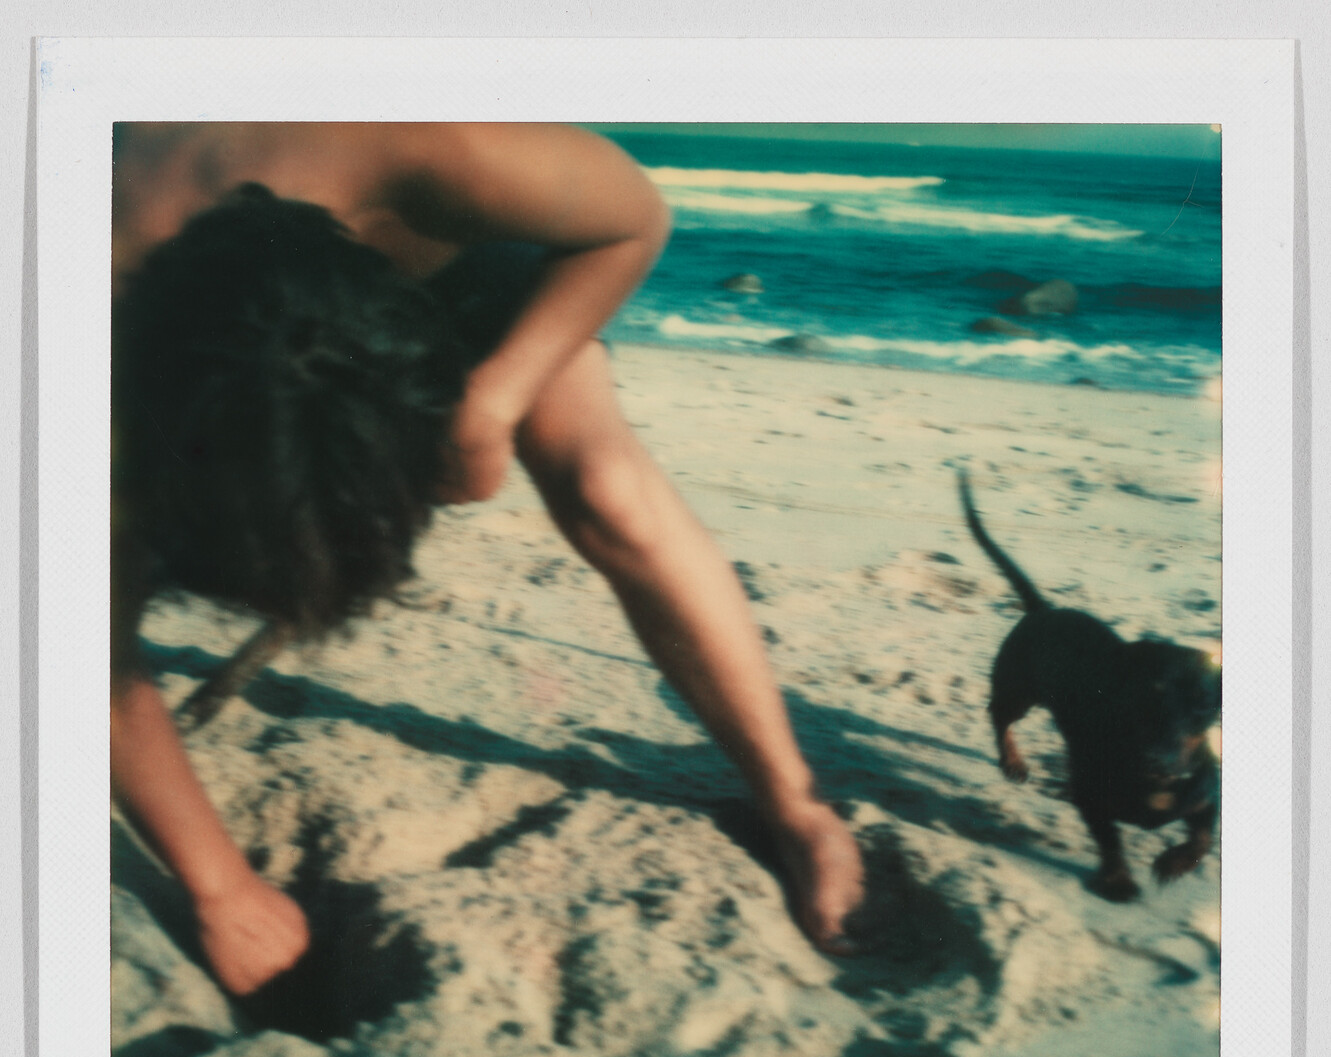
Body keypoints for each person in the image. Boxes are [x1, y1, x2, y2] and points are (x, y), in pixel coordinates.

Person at [110, 122, 865, 996]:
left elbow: (631, 224)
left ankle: (793, 799)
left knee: (607, 486)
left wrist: (494, 400)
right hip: (189, 325)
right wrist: (221, 888)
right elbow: (77, 639)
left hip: (430, 249)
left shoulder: (435, 147)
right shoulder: (71, 320)